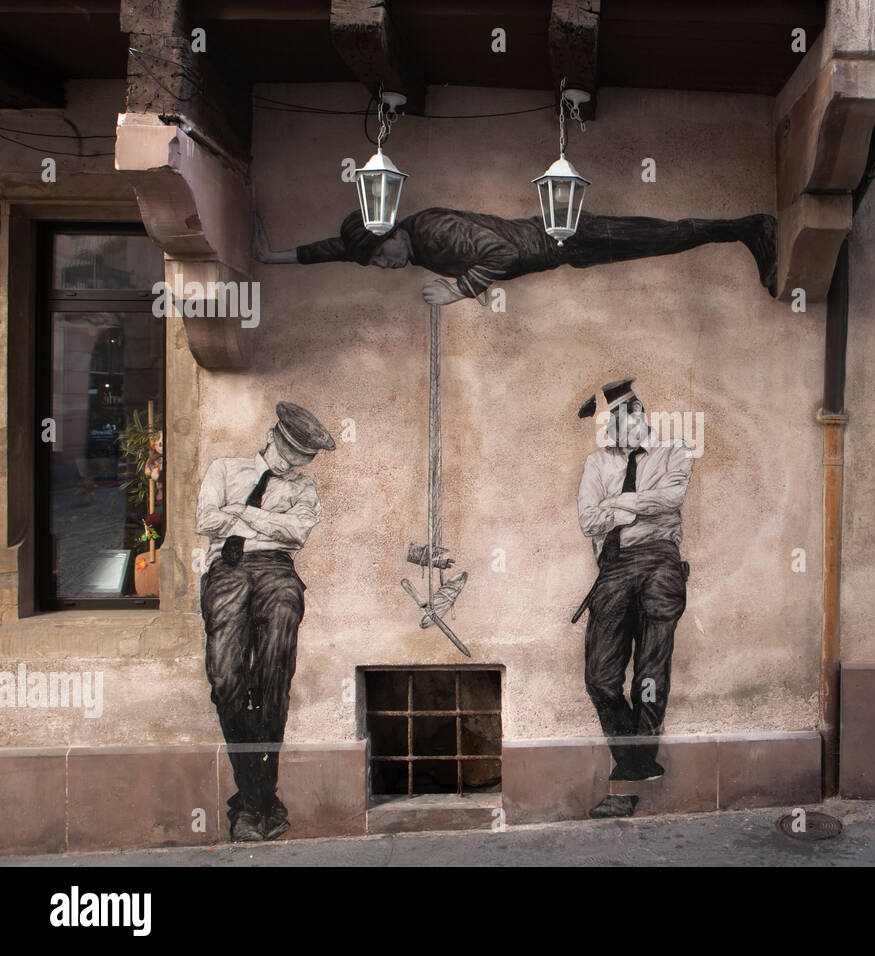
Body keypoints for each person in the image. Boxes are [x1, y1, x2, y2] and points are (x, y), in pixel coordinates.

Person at [195, 402, 335, 842]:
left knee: (273, 681)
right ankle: (261, 799)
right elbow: (205, 519)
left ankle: (248, 808)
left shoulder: (306, 490)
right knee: (225, 680)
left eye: (301, 459)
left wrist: (243, 514)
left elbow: (296, 535)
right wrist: (269, 521)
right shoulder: (225, 468)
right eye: (286, 453)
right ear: (271, 436)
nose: (290, 465)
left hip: (278, 572)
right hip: (228, 571)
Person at [575, 378, 692, 819]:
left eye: (629, 415)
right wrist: (637, 505)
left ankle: (623, 788)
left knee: (649, 676)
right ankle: (640, 763)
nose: (622, 427)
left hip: (660, 562)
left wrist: (619, 503)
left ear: (641, 414)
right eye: (613, 422)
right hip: (614, 568)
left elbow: (673, 496)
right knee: (601, 679)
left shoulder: (675, 452)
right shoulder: (596, 463)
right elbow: (589, 520)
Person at [253, 205, 777, 301]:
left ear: (389, 231)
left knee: (667, 236)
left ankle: (750, 228)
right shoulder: (400, 245)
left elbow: (498, 255)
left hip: (569, 234)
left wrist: (459, 289)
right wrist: (268, 256)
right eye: (376, 265)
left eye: (382, 256)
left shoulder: (432, 233)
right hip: (568, 250)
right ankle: (743, 231)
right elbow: (329, 251)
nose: (386, 266)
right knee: (664, 243)